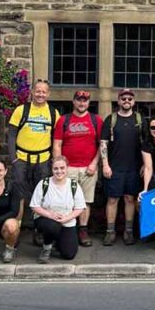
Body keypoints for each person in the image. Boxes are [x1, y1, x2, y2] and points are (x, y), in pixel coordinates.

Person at [52, 90, 103, 247]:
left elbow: (102, 145)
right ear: (73, 102)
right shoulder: (63, 120)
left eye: (85, 101)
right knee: (67, 200)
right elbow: (57, 144)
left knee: (86, 201)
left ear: (89, 103)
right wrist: (60, 166)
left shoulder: (96, 120)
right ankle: (68, 230)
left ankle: (83, 230)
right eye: (79, 100)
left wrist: (95, 163)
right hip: (69, 169)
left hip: (88, 168)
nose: (82, 103)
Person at [8, 79, 59, 226]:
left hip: (43, 161)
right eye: (38, 91)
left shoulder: (53, 113)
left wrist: (53, 161)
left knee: (42, 196)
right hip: (22, 159)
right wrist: (14, 160)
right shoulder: (21, 110)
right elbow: (11, 136)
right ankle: (16, 228)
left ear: (48, 94)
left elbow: (56, 139)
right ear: (32, 92)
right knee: (19, 195)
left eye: (44, 92)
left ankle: (39, 229)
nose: (40, 94)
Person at [100, 88, 144, 246]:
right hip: (114, 167)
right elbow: (103, 143)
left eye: (129, 99)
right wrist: (105, 164)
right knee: (112, 199)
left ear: (133, 101)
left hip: (134, 167)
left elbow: (145, 145)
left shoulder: (139, 120)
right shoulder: (110, 119)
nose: (126, 101)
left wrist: (145, 164)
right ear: (118, 101)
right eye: (123, 98)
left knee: (130, 199)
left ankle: (128, 231)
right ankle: (110, 232)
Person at [29, 156, 86, 263]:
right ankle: (46, 247)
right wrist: (50, 215)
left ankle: (57, 240)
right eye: (56, 168)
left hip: (66, 220)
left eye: (62, 168)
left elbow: (80, 207)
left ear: (67, 168)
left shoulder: (74, 185)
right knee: (52, 226)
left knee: (69, 254)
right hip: (45, 219)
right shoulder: (44, 184)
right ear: (52, 169)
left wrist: (67, 218)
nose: (59, 171)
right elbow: (34, 205)